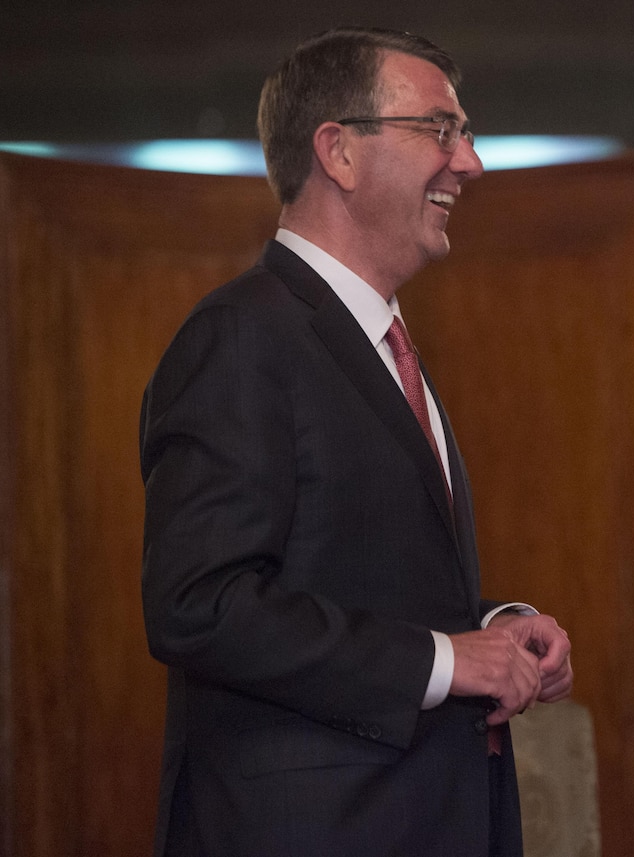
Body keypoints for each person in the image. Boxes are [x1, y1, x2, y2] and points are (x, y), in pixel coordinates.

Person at [140, 27, 572, 857]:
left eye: (467, 132)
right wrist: (449, 660)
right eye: (441, 129)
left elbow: (353, 574)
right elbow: (200, 604)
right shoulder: (242, 335)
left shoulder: (380, 340)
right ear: (337, 150)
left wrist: (496, 628)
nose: (470, 162)